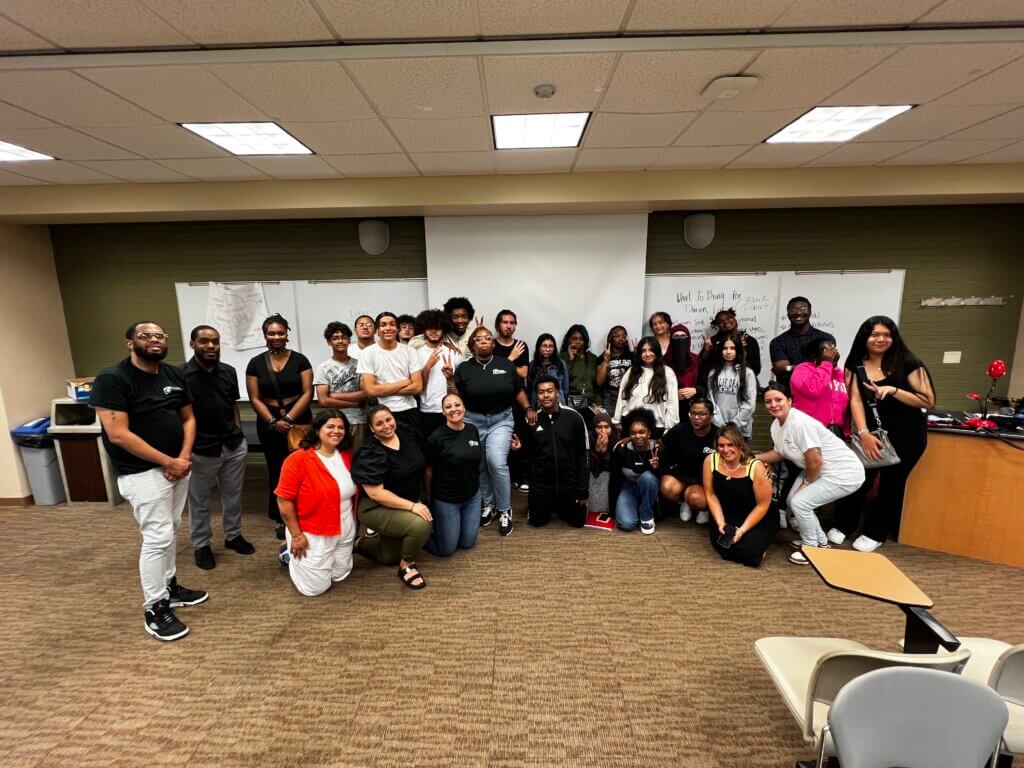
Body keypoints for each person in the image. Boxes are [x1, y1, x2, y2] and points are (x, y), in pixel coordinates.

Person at [90, 321, 207, 642]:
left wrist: (182, 458)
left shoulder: (172, 374)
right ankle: (155, 607)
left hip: (177, 467)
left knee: (172, 530)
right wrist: (168, 461)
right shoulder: (112, 379)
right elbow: (118, 433)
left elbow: (189, 418)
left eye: (159, 336)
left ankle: (170, 587)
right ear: (130, 343)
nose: (154, 340)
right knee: (157, 538)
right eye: (146, 336)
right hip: (142, 473)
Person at [830, 316, 935, 552]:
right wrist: (864, 433)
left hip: (906, 434)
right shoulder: (856, 362)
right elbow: (855, 400)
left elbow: (928, 400)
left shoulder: (907, 362)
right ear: (865, 337)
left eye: (887, 334)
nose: (881, 339)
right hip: (871, 434)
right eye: (875, 334)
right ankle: (844, 525)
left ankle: (875, 533)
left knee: (892, 483)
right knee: (858, 479)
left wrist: (894, 390)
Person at [756, 382, 865, 565]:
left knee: (800, 502)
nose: (773, 405)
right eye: (768, 401)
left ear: (789, 401)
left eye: (778, 400)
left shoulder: (799, 423)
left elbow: (816, 461)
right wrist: (753, 458)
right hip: (819, 470)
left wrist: (805, 485)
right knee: (793, 501)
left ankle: (811, 548)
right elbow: (780, 453)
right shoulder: (776, 425)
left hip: (844, 473)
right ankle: (821, 542)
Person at [452, 325, 537, 536]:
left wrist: (527, 407)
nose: (484, 341)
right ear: (472, 345)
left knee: (496, 462)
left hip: (501, 420)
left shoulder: (506, 365)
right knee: (479, 463)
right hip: (473, 420)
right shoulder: (463, 368)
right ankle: (488, 505)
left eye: (488, 338)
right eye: (479, 339)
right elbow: (456, 396)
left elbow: (518, 390)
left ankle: (504, 509)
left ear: (493, 343)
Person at [181, 325, 253, 571]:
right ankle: (201, 544)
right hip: (201, 449)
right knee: (199, 500)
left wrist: (239, 433)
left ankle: (233, 535)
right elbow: (179, 415)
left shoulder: (229, 372)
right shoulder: (181, 375)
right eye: (204, 341)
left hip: (232, 445)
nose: (210, 346)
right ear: (193, 344)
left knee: (232, 495)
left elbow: (232, 405)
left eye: (215, 341)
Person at [275, 409, 359, 597]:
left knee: (340, 574)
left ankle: (312, 559)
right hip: (312, 528)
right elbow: (284, 501)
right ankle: (288, 552)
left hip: (345, 523)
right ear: (317, 430)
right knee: (315, 589)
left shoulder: (346, 455)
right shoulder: (298, 459)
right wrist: (297, 536)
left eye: (341, 427)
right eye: (330, 426)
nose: (336, 431)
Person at [246, 314, 314, 540]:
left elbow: (308, 392)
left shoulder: (300, 360)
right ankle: (279, 517)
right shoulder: (255, 363)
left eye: (281, 332)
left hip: (299, 419)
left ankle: (304, 513)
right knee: (277, 470)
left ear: (287, 334)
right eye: (271, 333)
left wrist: (291, 419)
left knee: (302, 469)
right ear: (265, 335)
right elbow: (254, 397)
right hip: (268, 421)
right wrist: (273, 422)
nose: (276, 336)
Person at [351, 405, 432, 589]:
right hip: (376, 506)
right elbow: (376, 493)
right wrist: (413, 506)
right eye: (379, 424)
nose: (386, 425)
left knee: (388, 557)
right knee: (421, 524)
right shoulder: (370, 451)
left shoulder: (405, 432)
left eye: (388, 419)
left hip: (404, 501)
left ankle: (362, 544)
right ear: (371, 429)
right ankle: (406, 566)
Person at [520, 376, 589, 528]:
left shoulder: (574, 418)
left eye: (550, 391)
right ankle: (543, 503)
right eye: (541, 392)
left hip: (569, 485)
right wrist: (533, 491)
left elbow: (583, 456)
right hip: (543, 486)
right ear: (536, 396)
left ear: (557, 392)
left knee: (577, 522)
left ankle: (561, 504)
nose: (545, 395)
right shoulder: (532, 421)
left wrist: (582, 489)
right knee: (537, 522)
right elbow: (528, 458)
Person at [704, 425, 777, 567]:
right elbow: (710, 494)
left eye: (730, 445)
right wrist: (720, 522)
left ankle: (760, 542)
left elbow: (762, 505)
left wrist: (742, 530)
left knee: (750, 555)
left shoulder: (755, 466)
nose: (726, 450)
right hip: (726, 513)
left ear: (740, 444)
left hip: (756, 513)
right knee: (724, 549)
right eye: (721, 445)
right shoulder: (710, 460)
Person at [424, 393, 483, 556]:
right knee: (446, 550)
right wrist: (429, 497)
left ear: (464, 407)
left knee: (467, 543)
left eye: (457, 405)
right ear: (443, 412)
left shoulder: (472, 430)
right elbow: (428, 470)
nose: (454, 409)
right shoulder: (436, 438)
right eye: (448, 407)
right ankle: (420, 535)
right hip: (447, 499)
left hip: (472, 496)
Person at [357, 311, 424, 446]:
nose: (388, 328)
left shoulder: (409, 351)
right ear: (377, 330)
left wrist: (382, 388)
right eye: (383, 325)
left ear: (397, 328)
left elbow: (417, 387)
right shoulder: (368, 353)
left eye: (392, 324)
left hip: (409, 411)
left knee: (414, 453)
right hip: (381, 412)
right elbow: (370, 391)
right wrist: (404, 382)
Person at [659, 395, 717, 525]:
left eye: (702, 414)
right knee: (667, 488)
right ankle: (684, 502)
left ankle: (700, 506)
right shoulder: (681, 429)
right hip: (681, 474)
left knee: (697, 499)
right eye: (693, 413)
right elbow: (661, 444)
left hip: (702, 481)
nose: (696, 418)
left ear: (711, 415)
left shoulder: (718, 435)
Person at [314, 321, 369, 451]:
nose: (340, 341)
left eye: (343, 337)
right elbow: (324, 401)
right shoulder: (323, 368)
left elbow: (365, 394)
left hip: (358, 421)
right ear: (329, 342)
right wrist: (355, 403)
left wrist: (335, 395)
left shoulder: (360, 365)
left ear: (349, 341)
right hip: (334, 424)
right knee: (337, 460)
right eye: (335, 338)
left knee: (357, 461)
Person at [492, 309, 530, 491]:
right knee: (500, 441)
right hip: (495, 400)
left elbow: (523, 373)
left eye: (512, 322)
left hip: (517, 398)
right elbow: (491, 374)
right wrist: (511, 359)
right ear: (498, 324)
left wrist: (503, 366)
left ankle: (521, 477)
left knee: (519, 437)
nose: (509, 326)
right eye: (505, 322)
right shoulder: (491, 345)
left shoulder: (521, 345)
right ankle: (502, 480)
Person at [612, 336, 679, 437]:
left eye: (651, 350)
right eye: (643, 351)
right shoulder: (631, 371)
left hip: (656, 428)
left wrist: (667, 429)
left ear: (657, 351)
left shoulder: (668, 373)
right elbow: (622, 399)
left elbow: (672, 404)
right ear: (639, 353)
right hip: (630, 427)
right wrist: (617, 421)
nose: (647, 354)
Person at [609, 408, 661, 534]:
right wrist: (613, 508)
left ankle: (646, 515)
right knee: (626, 524)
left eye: (642, 432)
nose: (637, 436)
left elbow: (662, 479)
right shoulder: (621, 450)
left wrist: (657, 468)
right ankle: (636, 507)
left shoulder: (658, 450)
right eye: (633, 433)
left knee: (648, 477)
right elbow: (614, 478)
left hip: (648, 490)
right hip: (628, 488)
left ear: (649, 433)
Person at [791, 337, 849, 437]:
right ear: (814, 356)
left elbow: (847, 407)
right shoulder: (803, 369)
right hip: (808, 433)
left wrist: (847, 433)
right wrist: (827, 363)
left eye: (832, 347)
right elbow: (814, 390)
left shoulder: (841, 375)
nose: (831, 352)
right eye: (825, 349)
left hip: (836, 435)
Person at [414, 309, 458, 438]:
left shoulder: (454, 353)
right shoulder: (416, 354)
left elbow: (461, 382)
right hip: (426, 409)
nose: (434, 331)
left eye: (438, 328)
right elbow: (417, 387)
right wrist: (428, 366)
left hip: (450, 409)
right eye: (429, 328)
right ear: (424, 330)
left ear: (443, 329)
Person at [770, 296, 836, 382]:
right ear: (788, 314)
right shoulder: (778, 342)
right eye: (793, 310)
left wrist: (790, 367)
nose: (798, 313)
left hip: (820, 391)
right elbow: (781, 370)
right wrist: (817, 366)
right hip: (788, 392)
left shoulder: (826, 338)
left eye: (803, 309)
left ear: (810, 312)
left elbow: (829, 367)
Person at [707, 334, 757, 439]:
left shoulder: (747, 373)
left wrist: (734, 425)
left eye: (732, 348)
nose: (728, 352)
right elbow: (710, 400)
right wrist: (720, 424)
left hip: (740, 431)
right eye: (725, 348)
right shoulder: (713, 372)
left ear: (738, 350)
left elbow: (749, 404)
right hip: (718, 428)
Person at [701, 307, 762, 377]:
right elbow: (703, 365)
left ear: (735, 319)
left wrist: (743, 349)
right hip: (717, 382)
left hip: (742, 382)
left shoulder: (748, 340)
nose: (726, 321)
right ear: (718, 326)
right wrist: (707, 350)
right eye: (721, 321)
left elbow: (755, 368)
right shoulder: (712, 341)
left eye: (728, 318)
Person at [560, 324, 603, 420]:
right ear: (569, 340)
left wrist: (599, 403)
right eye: (574, 338)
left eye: (581, 339)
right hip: (571, 403)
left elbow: (597, 384)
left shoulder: (592, 358)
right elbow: (562, 381)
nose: (578, 342)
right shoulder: (562, 357)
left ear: (585, 340)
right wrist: (570, 359)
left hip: (591, 403)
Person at [666, 323, 701, 416]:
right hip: (670, 409)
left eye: (683, 336)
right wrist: (672, 394)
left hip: (694, 410)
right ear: (671, 340)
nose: (680, 339)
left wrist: (695, 390)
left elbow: (704, 383)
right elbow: (658, 386)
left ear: (688, 339)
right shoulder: (664, 361)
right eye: (676, 337)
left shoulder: (696, 360)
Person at [527, 333, 569, 407]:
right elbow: (530, 388)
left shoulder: (561, 363)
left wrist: (563, 403)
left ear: (554, 348)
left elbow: (565, 388)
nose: (547, 349)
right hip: (537, 404)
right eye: (544, 346)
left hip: (558, 403)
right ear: (538, 347)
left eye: (551, 346)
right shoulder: (532, 365)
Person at [600, 325, 632, 413]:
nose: (621, 339)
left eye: (623, 336)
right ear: (611, 338)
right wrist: (606, 362)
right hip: (610, 399)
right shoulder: (602, 358)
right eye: (617, 336)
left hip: (628, 398)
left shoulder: (631, 356)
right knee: (610, 425)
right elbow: (599, 382)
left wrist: (638, 356)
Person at [588, 412, 614, 515]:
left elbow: (612, 467)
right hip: (592, 476)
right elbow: (589, 466)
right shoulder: (588, 438)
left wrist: (604, 452)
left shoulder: (615, 439)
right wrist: (596, 450)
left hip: (608, 477)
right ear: (594, 428)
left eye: (606, 427)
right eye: (599, 427)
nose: (603, 431)